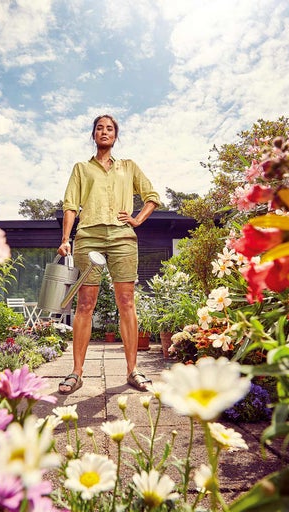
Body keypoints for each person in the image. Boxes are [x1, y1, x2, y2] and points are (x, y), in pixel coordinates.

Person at [57, 114, 161, 394]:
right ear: (93, 135)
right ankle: (76, 373)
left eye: (110, 128)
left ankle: (132, 371)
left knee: (126, 301)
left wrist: (137, 220)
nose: (105, 132)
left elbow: (152, 196)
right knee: (85, 304)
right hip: (88, 235)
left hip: (122, 236)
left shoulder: (128, 167)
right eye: (100, 128)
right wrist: (66, 239)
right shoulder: (81, 168)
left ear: (115, 136)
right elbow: (70, 205)